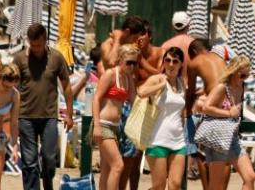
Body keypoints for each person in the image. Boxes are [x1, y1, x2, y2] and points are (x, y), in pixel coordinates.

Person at [14, 23, 74, 190]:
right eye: (32, 45)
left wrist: (69, 114)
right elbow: (12, 88)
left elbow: (67, 86)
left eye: (39, 45)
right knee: (29, 161)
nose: (36, 49)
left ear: (45, 40)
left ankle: (48, 185)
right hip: (25, 116)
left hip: (49, 117)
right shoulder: (19, 59)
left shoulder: (56, 57)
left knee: (49, 158)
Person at [202, 56, 255, 190]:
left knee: (250, 177)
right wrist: (228, 113)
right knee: (216, 186)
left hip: (232, 138)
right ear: (233, 71)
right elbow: (206, 108)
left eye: (246, 76)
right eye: (242, 74)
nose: (244, 78)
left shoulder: (241, 88)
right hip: (218, 137)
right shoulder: (222, 87)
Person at [138, 48, 188, 190]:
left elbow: (181, 112)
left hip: (178, 141)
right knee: (158, 186)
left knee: (175, 185)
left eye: (175, 61)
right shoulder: (157, 79)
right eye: (168, 60)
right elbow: (141, 92)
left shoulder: (181, 83)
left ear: (181, 65)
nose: (171, 64)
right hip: (157, 140)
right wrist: (161, 85)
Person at [93, 44, 139, 190]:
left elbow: (134, 100)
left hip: (116, 127)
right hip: (104, 124)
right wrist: (97, 126)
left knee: (107, 170)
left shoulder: (127, 78)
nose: (131, 66)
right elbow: (96, 99)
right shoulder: (110, 74)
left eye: (134, 63)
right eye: (129, 62)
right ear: (120, 60)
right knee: (118, 166)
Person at [187, 39, 226, 190]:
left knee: (202, 157)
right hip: (229, 110)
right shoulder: (220, 59)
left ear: (194, 52)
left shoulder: (196, 61)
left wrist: (186, 113)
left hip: (213, 112)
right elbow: (217, 84)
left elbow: (189, 92)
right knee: (223, 160)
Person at [160, 11, 193, 79]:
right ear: (188, 25)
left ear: (173, 26)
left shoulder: (165, 45)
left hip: (171, 86)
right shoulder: (194, 45)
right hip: (190, 88)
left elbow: (161, 70)